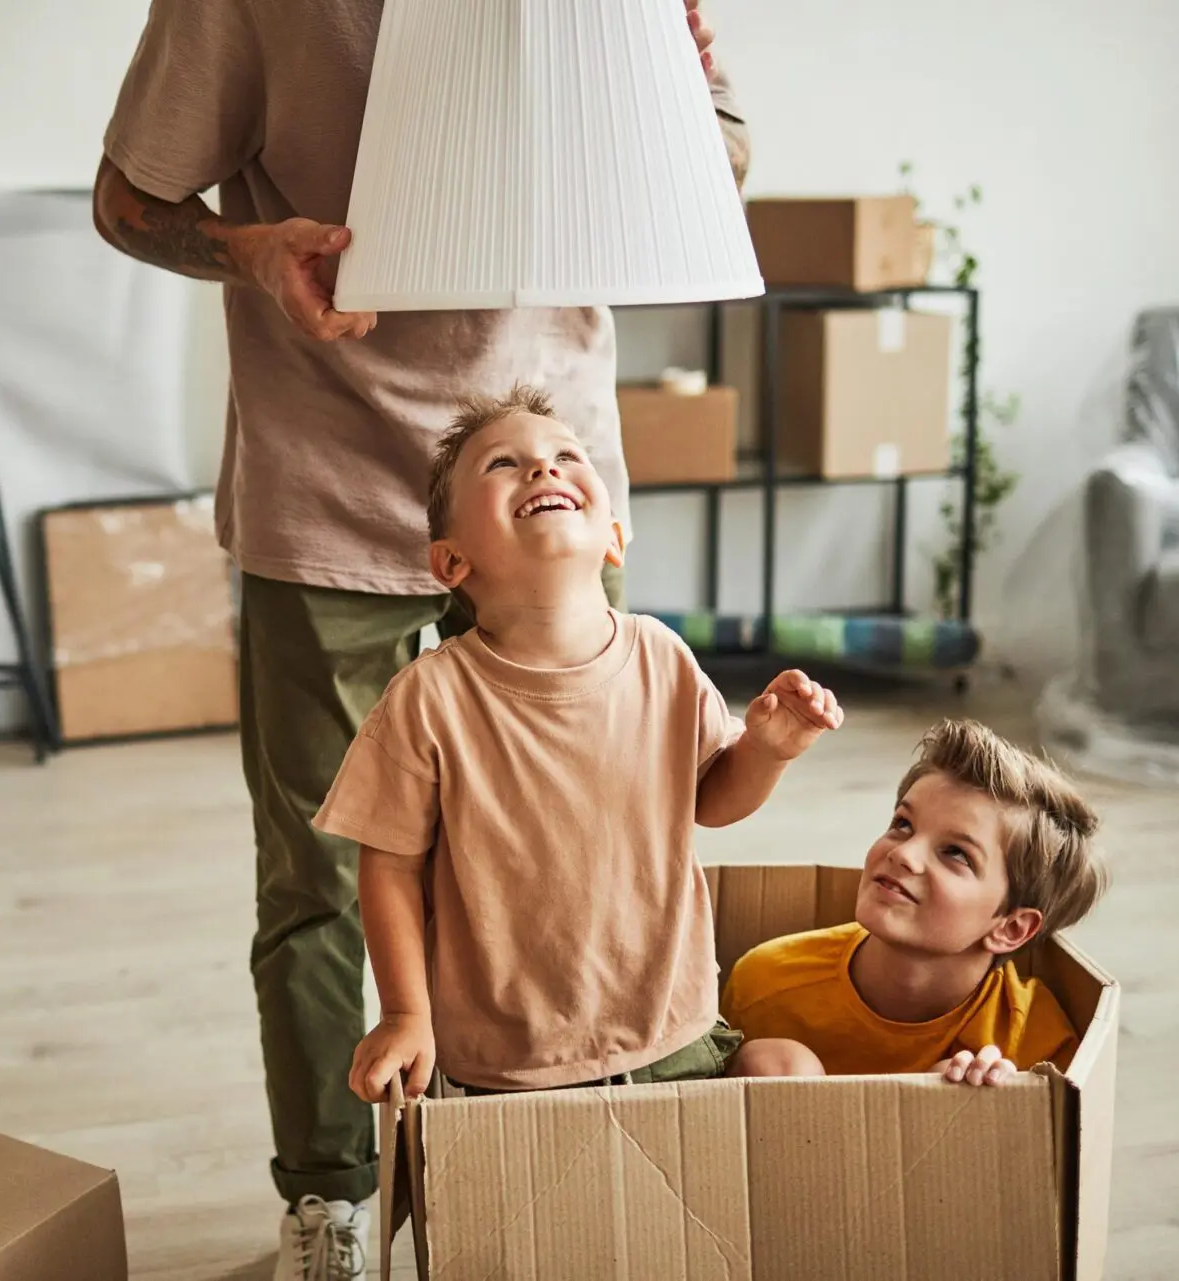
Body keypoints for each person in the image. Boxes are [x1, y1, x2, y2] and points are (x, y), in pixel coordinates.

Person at [93, 3, 750, 1277]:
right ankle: (333, 1198)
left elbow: (716, 166)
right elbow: (128, 201)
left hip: (554, 487)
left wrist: (696, 77)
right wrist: (250, 251)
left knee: (586, 842)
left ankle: (553, 1148)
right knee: (323, 880)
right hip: (325, 484)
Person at [315, 387, 842, 1112]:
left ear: (615, 538)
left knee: (787, 1066)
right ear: (451, 560)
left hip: (670, 1036)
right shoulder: (429, 697)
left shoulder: (662, 656)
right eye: (504, 463)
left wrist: (768, 750)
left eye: (566, 455)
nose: (543, 469)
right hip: (505, 1067)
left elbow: (712, 800)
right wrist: (408, 1014)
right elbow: (389, 865)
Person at [721, 719, 1109, 1085]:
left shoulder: (1034, 1042)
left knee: (959, 1083)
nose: (904, 854)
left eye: (956, 853)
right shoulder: (766, 984)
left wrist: (1005, 1103)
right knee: (776, 1064)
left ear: (1009, 928)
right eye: (903, 824)